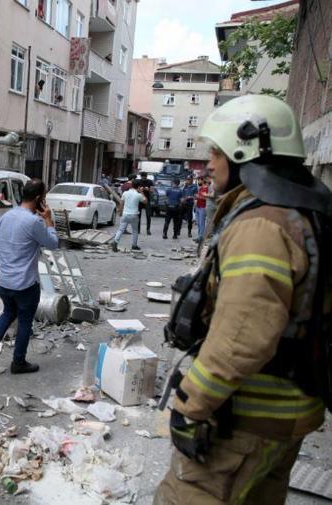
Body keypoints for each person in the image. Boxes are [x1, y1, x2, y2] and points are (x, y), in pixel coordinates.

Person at [155, 95, 331, 504]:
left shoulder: (262, 226)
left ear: (245, 152)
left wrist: (190, 403)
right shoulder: (302, 213)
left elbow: (242, 337)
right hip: (285, 414)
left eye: (216, 152)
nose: (209, 163)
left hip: (246, 420)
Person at [0, 179, 59, 374]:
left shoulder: (5, 217)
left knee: (8, 313)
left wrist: (6, 269)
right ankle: (18, 362)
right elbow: (53, 243)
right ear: (39, 199)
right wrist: (49, 220)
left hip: (5, 282)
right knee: (24, 321)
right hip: (26, 284)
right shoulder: (35, 222)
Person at [110, 180, 146, 252]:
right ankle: (134, 245)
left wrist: (120, 212)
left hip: (125, 214)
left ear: (132, 185)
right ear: (138, 187)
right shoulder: (138, 195)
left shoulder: (125, 193)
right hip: (134, 215)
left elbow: (121, 203)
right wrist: (141, 192)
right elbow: (145, 201)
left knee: (121, 229)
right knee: (135, 231)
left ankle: (115, 242)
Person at [194, 177, 208, 243]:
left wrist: (198, 197)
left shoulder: (206, 188)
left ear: (202, 180)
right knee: (198, 223)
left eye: (199, 180)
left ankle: (201, 237)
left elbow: (207, 198)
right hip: (198, 207)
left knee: (201, 223)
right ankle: (199, 236)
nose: (198, 181)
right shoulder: (200, 188)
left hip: (203, 207)